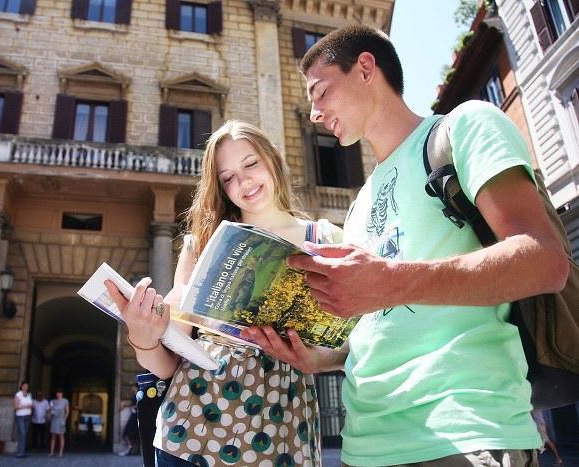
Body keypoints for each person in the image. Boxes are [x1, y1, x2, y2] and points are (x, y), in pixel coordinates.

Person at [249, 25, 569, 467]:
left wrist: (390, 283)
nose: (315, 114)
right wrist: (319, 359)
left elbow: (545, 260)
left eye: (321, 93)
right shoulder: (359, 207)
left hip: (463, 437)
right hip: (364, 450)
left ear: (365, 68)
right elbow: (381, 327)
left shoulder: (465, 128)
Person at [105, 120, 344, 467]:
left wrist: (319, 358)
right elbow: (166, 363)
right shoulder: (200, 244)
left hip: (282, 431)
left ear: (273, 160)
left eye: (250, 164)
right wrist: (144, 339)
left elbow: (358, 343)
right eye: (228, 177)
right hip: (189, 431)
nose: (243, 182)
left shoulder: (327, 239)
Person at [13, 381, 33, 459]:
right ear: (21, 386)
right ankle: (19, 453)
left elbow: (31, 404)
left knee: (24, 434)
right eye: (24, 385)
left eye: (27, 386)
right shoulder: (18, 394)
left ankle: (22, 452)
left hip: (27, 416)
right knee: (22, 433)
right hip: (20, 416)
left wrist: (30, 406)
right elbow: (15, 407)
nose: (25, 387)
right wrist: (25, 406)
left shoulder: (29, 395)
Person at [48, 389, 69, 458]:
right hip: (54, 419)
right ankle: (51, 452)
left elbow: (67, 411)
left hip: (61, 420)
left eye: (60, 393)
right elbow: (50, 410)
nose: (58, 394)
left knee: (61, 436)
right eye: (57, 393)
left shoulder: (65, 401)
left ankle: (60, 452)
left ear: (62, 394)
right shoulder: (53, 401)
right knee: (53, 437)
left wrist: (64, 420)